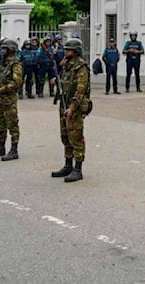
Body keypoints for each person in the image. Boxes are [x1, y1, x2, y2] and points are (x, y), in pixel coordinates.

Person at [51, 38, 91, 182]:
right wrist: (57, 80)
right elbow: (66, 82)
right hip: (64, 104)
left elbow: (80, 91)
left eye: (68, 50)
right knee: (65, 136)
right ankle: (68, 165)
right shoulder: (66, 65)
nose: (65, 52)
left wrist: (72, 109)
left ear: (75, 52)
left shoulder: (81, 67)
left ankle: (78, 169)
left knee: (76, 138)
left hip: (75, 107)